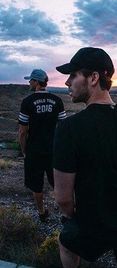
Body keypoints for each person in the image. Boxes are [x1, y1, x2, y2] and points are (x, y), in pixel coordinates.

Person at [53, 47, 117, 268]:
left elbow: (63, 198)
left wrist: (75, 218)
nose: (67, 82)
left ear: (94, 78)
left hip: (92, 223)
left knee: (67, 242)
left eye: (73, 75)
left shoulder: (68, 129)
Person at [18, 69, 66, 221]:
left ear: (37, 82)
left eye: (31, 80)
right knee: (57, 183)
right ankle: (66, 212)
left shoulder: (27, 102)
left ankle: (42, 212)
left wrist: (24, 150)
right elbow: (63, 127)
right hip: (54, 150)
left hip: (34, 151)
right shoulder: (57, 100)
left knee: (36, 184)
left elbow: (22, 132)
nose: (29, 83)